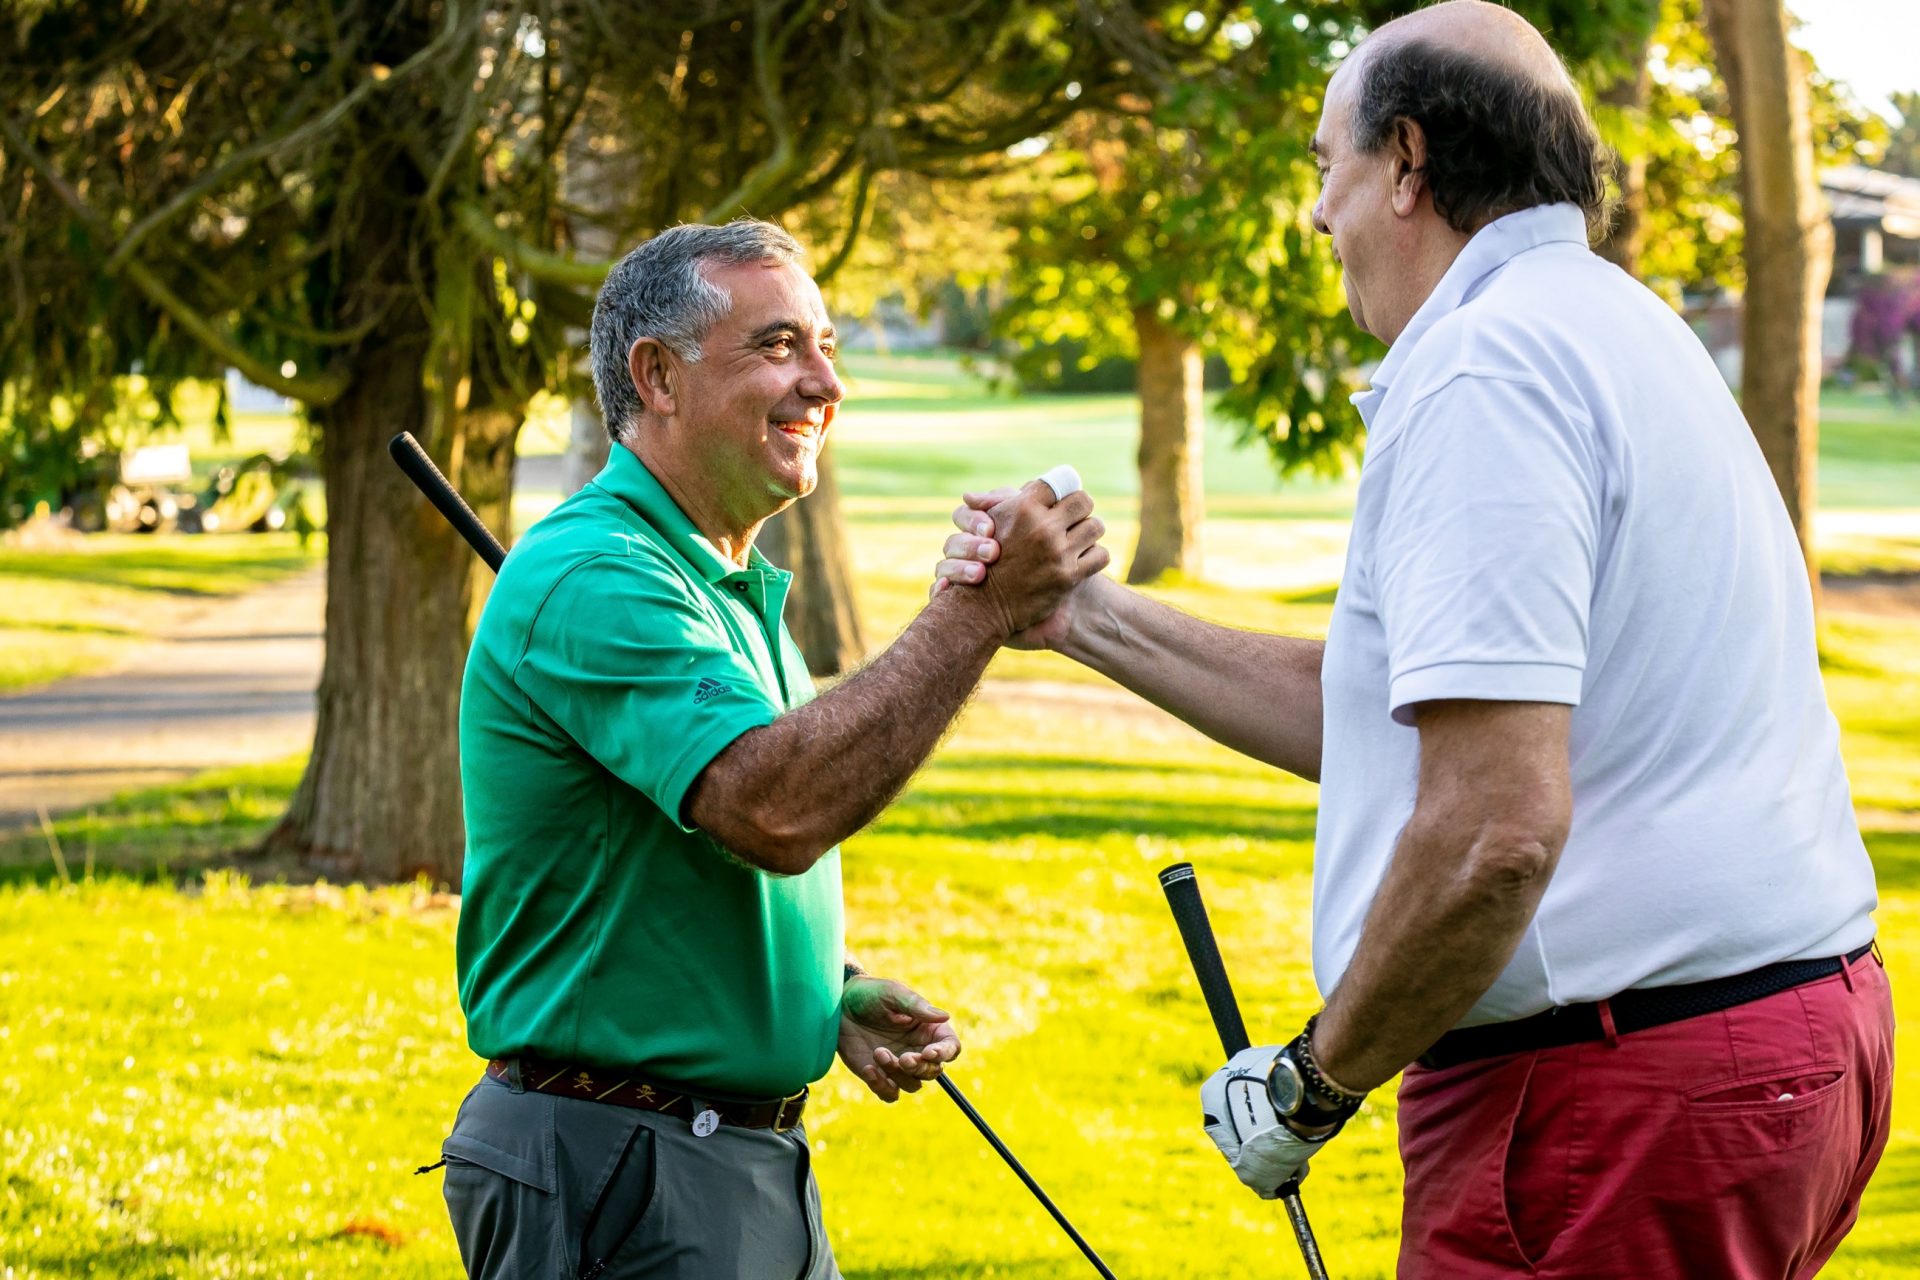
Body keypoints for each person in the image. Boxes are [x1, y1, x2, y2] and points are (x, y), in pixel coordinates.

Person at [934, 3, 1891, 1275]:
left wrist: (1310, 1082)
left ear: (1406, 163)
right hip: (1768, 1038)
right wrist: (1083, 616)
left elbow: (1497, 829)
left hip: (1615, 1088)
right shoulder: (1613, 322)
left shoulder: (1487, 367)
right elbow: (1403, 712)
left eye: (1325, 166)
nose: (1316, 213)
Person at [441, 219, 1108, 1280]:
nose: (824, 384)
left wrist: (821, 993)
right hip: (621, 1161)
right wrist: (978, 612)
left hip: (729, 1155)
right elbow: (776, 806)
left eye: (827, 347)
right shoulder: (596, 573)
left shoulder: (718, 583)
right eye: (779, 345)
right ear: (658, 377)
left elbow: (675, 861)